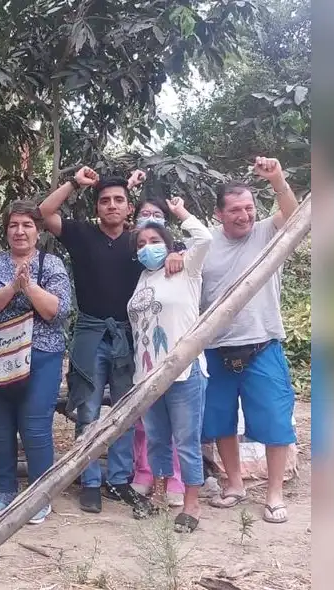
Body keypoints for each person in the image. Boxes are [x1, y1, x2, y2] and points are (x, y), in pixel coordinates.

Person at [39, 166, 182, 514]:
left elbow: (178, 252)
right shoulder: (82, 234)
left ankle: (118, 479)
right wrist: (74, 182)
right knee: (87, 409)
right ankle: (88, 480)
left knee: (125, 411)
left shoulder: (140, 241)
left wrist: (177, 254)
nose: (112, 205)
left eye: (119, 200)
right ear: (97, 207)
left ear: (129, 207)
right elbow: (44, 213)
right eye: (105, 201)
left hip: (130, 334)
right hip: (89, 331)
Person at [200, 157, 299, 525]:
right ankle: (235, 484)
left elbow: (293, 214)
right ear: (219, 214)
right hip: (215, 350)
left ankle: (274, 493)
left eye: (248, 208)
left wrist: (277, 178)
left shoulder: (267, 232)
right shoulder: (205, 241)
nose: (244, 215)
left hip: (263, 346)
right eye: (235, 210)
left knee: (275, 421)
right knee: (220, 422)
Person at [0, 201, 71, 523]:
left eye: (27, 225)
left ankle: (38, 494)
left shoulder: (52, 264)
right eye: (13, 225)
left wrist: (28, 286)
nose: (20, 231)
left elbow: (56, 312)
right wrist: (12, 287)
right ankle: (5, 490)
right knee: (0, 426)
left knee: (35, 426)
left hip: (42, 355)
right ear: (6, 231)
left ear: (38, 230)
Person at [126, 197, 213, 531]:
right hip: (147, 376)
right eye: (143, 244)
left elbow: (204, 238)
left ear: (169, 243)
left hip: (183, 372)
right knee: (158, 440)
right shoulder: (143, 280)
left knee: (186, 441)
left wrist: (181, 212)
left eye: (156, 241)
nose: (149, 248)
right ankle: (160, 496)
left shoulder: (186, 270)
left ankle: (192, 505)